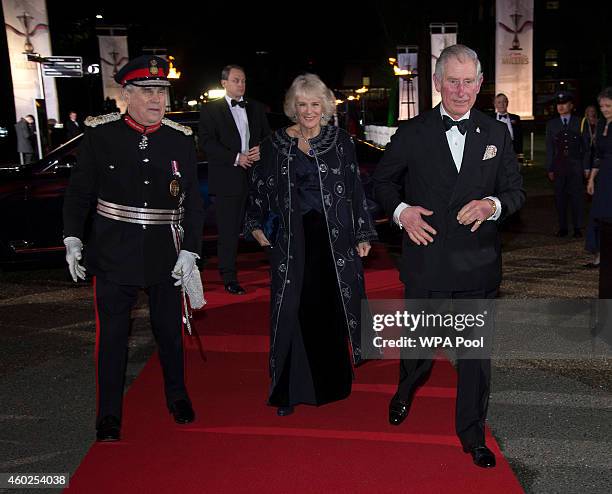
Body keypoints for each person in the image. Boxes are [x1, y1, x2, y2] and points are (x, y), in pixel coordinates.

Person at [373, 44, 524, 468]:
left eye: (468, 82)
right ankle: (406, 389)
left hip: (477, 264)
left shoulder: (496, 134)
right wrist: (402, 213)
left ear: (479, 84)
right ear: (438, 83)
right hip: (428, 260)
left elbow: (515, 192)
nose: (460, 90)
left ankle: (472, 433)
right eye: (452, 81)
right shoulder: (413, 131)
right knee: (421, 349)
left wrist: (491, 205)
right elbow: (383, 184)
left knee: (475, 356)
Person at [62, 55, 205, 442]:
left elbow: (192, 202)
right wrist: (72, 237)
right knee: (111, 338)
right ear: (127, 95)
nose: (157, 99)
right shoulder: (101, 136)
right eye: (147, 91)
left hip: (164, 252)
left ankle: (177, 397)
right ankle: (108, 414)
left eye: (161, 91)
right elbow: (79, 193)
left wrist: (190, 250)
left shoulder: (179, 140)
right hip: (113, 252)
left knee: (169, 333)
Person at [244, 73, 377, 417]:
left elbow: (354, 190)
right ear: (293, 107)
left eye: (315, 104)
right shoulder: (275, 143)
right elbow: (259, 184)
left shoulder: (341, 142)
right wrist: (255, 222)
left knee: (328, 308)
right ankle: (287, 389)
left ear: (325, 106)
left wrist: (362, 233)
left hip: (333, 241)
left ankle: (330, 384)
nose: (308, 111)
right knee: (292, 308)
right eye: (302, 104)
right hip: (291, 241)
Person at [199, 65, 270, 295]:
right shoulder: (211, 110)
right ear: (224, 83)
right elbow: (207, 143)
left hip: (256, 178)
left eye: (244, 81)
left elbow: (268, 138)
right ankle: (229, 278)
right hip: (228, 179)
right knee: (229, 232)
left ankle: (279, 270)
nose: (241, 84)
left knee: (268, 225)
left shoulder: (256, 108)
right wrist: (235, 158)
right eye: (237, 80)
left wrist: (262, 149)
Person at [545, 91, 587, 238]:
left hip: (576, 166)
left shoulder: (580, 121)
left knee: (577, 198)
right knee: (560, 198)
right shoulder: (552, 124)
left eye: (563, 104)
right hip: (559, 166)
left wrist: (586, 167)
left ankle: (577, 227)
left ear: (571, 105)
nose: (560, 107)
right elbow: (550, 148)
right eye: (558, 104)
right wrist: (549, 167)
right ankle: (563, 227)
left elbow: (586, 147)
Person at [585, 88, 612, 268]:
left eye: (608, 105)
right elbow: (598, 155)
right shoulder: (601, 124)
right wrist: (591, 179)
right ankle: (599, 255)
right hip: (603, 176)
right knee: (598, 215)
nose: (604, 109)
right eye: (602, 106)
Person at [581, 104, 599, 174]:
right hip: (587, 146)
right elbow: (583, 134)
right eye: (590, 111)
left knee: (596, 163)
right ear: (587, 112)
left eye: (593, 111)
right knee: (587, 163)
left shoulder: (598, 121)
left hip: (596, 145)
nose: (591, 112)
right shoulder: (584, 121)